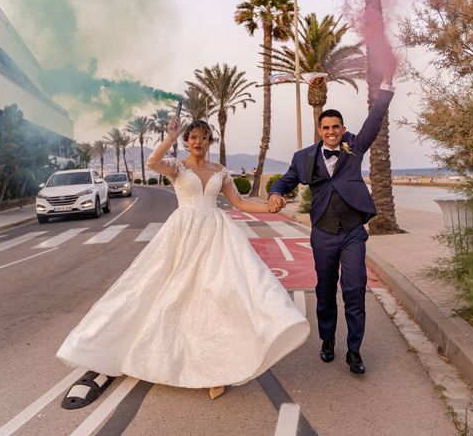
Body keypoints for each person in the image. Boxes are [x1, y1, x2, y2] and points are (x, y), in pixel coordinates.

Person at [56, 118, 309, 408]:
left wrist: (270, 207)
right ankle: (162, 356)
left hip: (216, 235)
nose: (198, 142)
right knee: (165, 293)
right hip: (182, 234)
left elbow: (239, 203)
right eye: (193, 138)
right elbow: (152, 162)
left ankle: (217, 369)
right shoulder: (177, 167)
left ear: (210, 141)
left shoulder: (220, 171)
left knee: (219, 297)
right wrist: (169, 137)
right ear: (187, 141)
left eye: (203, 137)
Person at [268, 65, 396, 375]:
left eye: (336, 127)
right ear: (320, 131)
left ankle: (354, 351)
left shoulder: (355, 147)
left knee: (354, 290)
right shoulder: (304, 157)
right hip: (323, 233)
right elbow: (286, 181)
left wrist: (387, 85)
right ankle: (327, 341)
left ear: (342, 128)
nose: (331, 132)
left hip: (353, 232)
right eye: (326, 128)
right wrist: (275, 194)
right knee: (325, 291)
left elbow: (374, 120)